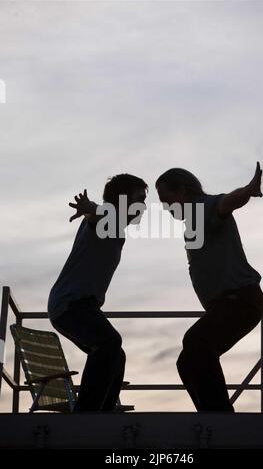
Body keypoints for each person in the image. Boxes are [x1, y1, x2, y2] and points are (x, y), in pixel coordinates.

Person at [155, 162, 263, 412]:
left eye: (167, 199)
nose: (166, 207)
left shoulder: (202, 207)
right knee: (187, 362)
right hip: (227, 303)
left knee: (196, 342)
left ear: (183, 190)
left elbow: (226, 203)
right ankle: (210, 417)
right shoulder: (193, 220)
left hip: (241, 299)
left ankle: (221, 420)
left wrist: (248, 190)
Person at [47, 174, 148, 412]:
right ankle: (87, 413)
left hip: (84, 305)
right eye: (139, 199)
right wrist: (89, 208)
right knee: (109, 343)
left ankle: (103, 411)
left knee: (115, 354)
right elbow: (97, 214)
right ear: (123, 200)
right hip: (70, 303)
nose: (143, 206)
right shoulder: (105, 220)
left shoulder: (117, 228)